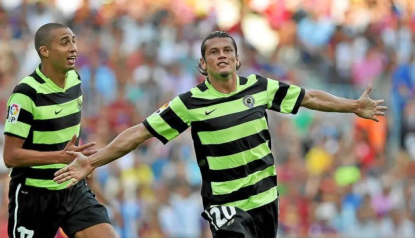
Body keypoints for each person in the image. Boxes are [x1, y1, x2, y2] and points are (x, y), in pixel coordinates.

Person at [54, 31, 388, 238]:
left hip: (266, 200)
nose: (221, 55)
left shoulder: (260, 87)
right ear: (203, 64)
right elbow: (139, 133)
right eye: (213, 52)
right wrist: (93, 162)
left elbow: (310, 97)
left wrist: (353, 106)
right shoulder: (190, 102)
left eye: (227, 50)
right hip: (225, 203)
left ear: (238, 58)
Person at [3, 23, 118, 238]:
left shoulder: (75, 80)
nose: (73, 47)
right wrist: (59, 157)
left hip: (71, 187)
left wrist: (83, 168)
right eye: (64, 42)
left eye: (74, 41)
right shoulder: (26, 94)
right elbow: (10, 156)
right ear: (44, 51)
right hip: (33, 195)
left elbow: (69, 138)